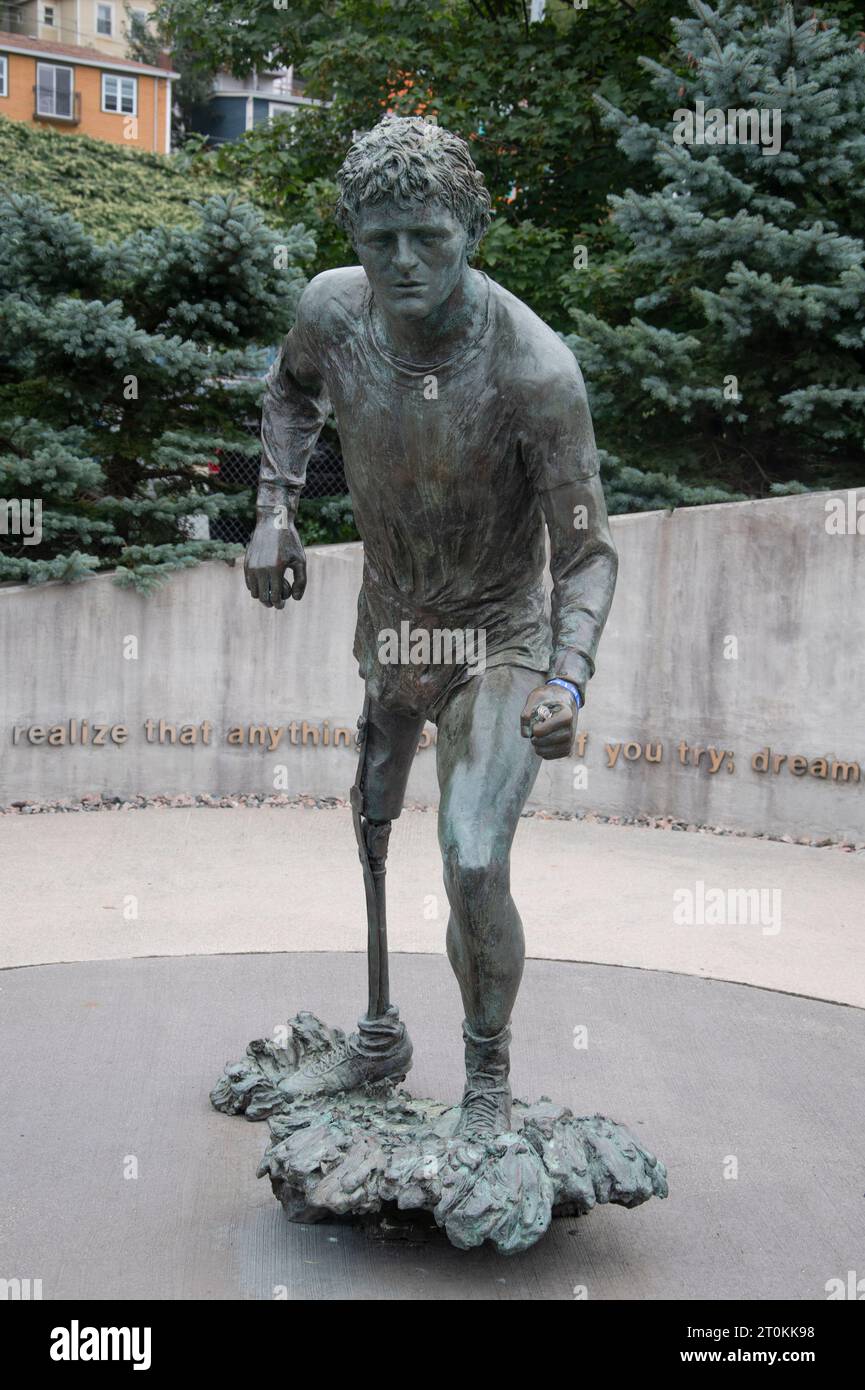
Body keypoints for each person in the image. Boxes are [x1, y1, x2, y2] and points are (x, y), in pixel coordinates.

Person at [244, 115, 618, 1137]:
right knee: (369, 817)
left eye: (428, 238)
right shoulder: (330, 312)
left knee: (471, 854)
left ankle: (486, 1078)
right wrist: (275, 511)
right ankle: (377, 1035)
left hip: (498, 639)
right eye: (379, 240)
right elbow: (286, 394)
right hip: (392, 623)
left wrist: (567, 680)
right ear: (353, 237)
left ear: (470, 230)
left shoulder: (536, 372)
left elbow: (585, 552)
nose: (402, 262)